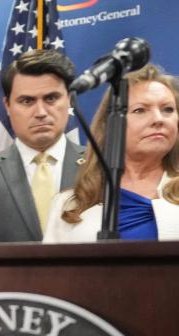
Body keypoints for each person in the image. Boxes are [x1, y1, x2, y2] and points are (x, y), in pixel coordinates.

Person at [0, 49, 86, 244]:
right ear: (7, 106)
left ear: (69, 99)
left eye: (51, 98)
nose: (41, 112)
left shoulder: (99, 169)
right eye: (27, 101)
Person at [44, 64, 179, 242]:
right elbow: (52, 269)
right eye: (140, 110)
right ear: (111, 124)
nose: (158, 119)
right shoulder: (68, 205)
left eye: (167, 109)